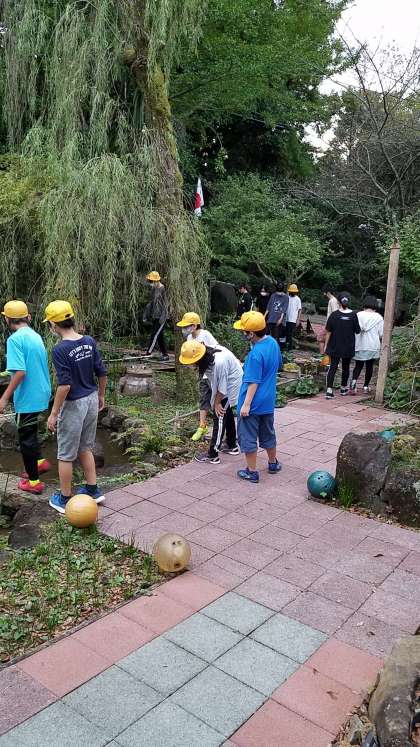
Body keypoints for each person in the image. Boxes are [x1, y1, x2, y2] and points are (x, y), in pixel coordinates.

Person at [44, 300, 107, 513]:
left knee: (65, 454)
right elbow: (102, 372)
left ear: (54, 325)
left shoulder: (60, 349)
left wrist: (53, 413)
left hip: (74, 404)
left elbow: (65, 385)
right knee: (85, 447)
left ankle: (64, 498)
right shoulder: (88, 341)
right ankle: (93, 489)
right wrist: (101, 395)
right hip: (91, 398)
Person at [0, 301, 51, 494]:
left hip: (28, 396)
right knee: (30, 433)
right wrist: (7, 373)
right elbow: (27, 365)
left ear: (7, 319)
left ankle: (34, 483)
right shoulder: (35, 335)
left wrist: (4, 398)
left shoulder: (14, 340)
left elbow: (20, 372)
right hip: (41, 392)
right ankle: (40, 462)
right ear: (28, 317)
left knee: (25, 440)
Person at [233, 311, 282, 483]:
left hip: (252, 403)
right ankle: (273, 463)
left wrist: (246, 404)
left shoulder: (255, 354)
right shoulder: (273, 343)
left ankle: (251, 471)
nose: (242, 333)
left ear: (251, 334)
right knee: (268, 433)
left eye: (244, 331)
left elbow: (253, 382)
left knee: (248, 436)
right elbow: (277, 365)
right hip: (268, 401)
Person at [179, 339, 242, 464]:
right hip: (225, 382)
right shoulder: (206, 356)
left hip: (232, 384)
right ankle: (231, 445)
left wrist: (217, 403)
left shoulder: (218, 363)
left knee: (219, 415)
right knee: (226, 412)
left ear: (198, 359)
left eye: (190, 363)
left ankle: (213, 454)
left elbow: (222, 389)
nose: (189, 365)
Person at [176, 312, 220, 442]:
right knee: (203, 399)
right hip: (202, 374)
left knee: (216, 400)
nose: (184, 329)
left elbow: (216, 350)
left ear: (194, 326)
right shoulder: (189, 338)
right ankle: (202, 426)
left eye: (186, 326)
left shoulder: (205, 335)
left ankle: (219, 428)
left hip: (213, 372)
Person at [324, 292, 360, 399]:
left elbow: (328, 331)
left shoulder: (334, 315)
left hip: (334, 345)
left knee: (333, 367)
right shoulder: (353, 315)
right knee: (346, 367)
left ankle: (329, 390)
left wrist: (326, 345)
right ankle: (343, 388)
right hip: (348, 346)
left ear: (338, 302)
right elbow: (357, 331)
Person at [350, 296, 384, 395]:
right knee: (369, 366)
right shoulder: (378, 317)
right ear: (375, 305)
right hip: (372, 346)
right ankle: (365, 386)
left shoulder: (358, 315)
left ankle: (353, 383)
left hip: (359, 344)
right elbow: (381, 333)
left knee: (358, 365)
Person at [143, 271, 169, 362]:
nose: (150, 283)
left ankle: (148, 353)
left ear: (156, 280)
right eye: (150, 281)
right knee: (160, 336)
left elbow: (166, 304)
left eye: (151, 281)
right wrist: (146, 315)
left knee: (154, 335)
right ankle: (165, 355)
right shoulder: (154, 289)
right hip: (155, 316)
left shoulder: (162, 288)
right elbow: (151, 303)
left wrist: (163, 317)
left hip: (161, 317)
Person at [265, 281, 289, 350]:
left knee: (276, 336)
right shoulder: (273, 295)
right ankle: (268, 349)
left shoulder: (286, 297)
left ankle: (276, 350)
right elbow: (269, 307)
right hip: (271, 319)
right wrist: (264, 316)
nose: (278, 294)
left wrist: (281, 319)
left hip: (278, 320)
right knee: (267, 335)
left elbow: (284, 309)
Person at [317, 286, 340, 353]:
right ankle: (325, 355)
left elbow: (335, 313)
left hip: (331, 325)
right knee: (325, 339)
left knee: (320, 338)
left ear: (328, 292)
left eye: (324, 292)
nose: (324, 294)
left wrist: (331, 326)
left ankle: (322, 355)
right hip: (331, 324)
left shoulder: (332, 301)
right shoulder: (333, 300)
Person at [285, 283, 302, 351]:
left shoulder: (298, 299)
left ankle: (289, 348)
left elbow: (300, 310)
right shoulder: (287, 297)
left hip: (293, 319)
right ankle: (285, 347)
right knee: (285, 333)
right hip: (286, 318)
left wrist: (298, 319)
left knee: (290, 334)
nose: (293, 292)